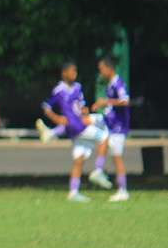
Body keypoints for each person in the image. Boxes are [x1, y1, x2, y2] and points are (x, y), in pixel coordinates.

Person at [39, 59, 112, 202]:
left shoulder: (78, 87)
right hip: (77, 126)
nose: (75, 74)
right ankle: (98, 170)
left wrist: (84, 111)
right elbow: (46, 107)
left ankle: (73, 192)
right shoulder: (59, 90)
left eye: (75, 71)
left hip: (76, 127)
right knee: (104, 137)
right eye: (72, 71)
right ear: (64, 74)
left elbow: (80, 106)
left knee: (79, 159)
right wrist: (57, 118)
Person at [91, 56, 130, 202]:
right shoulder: (110, 84)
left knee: (117, 157)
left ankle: (123, 190)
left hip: (119, 126)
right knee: (101, 137)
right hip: (111, 124)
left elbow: (125, 100)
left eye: (101, 69)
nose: (100, 73)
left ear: (109, 68)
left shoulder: (117, 82)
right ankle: (98, 170)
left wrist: (106, 101)